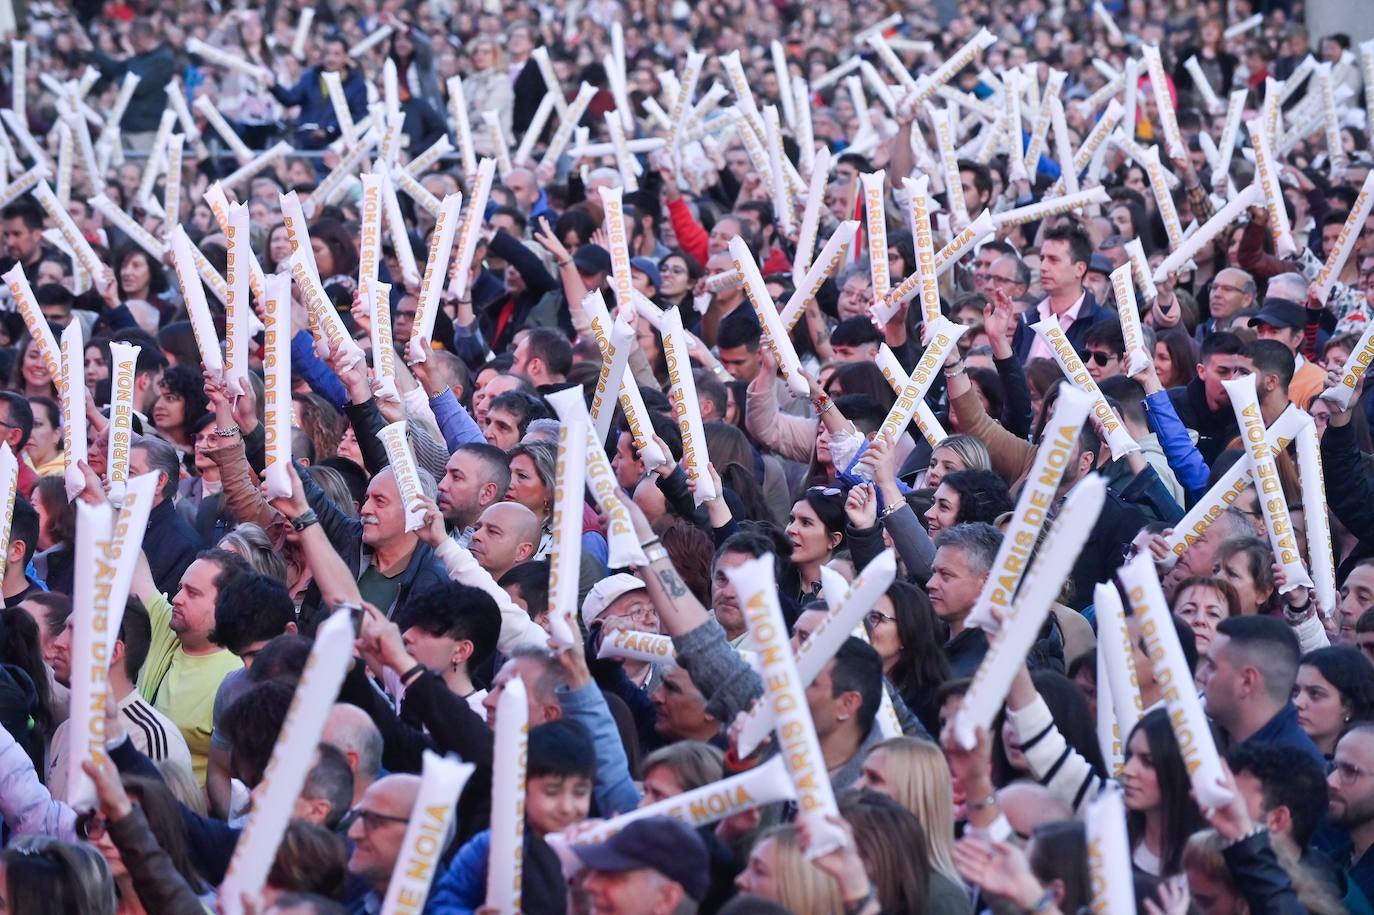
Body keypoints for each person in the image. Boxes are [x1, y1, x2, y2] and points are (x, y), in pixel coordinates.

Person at [1198, 616, 1325, 767]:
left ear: (1247, 681)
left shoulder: (1297, 775)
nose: (1201, 676)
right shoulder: (1207, 738)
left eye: (1212, 667)